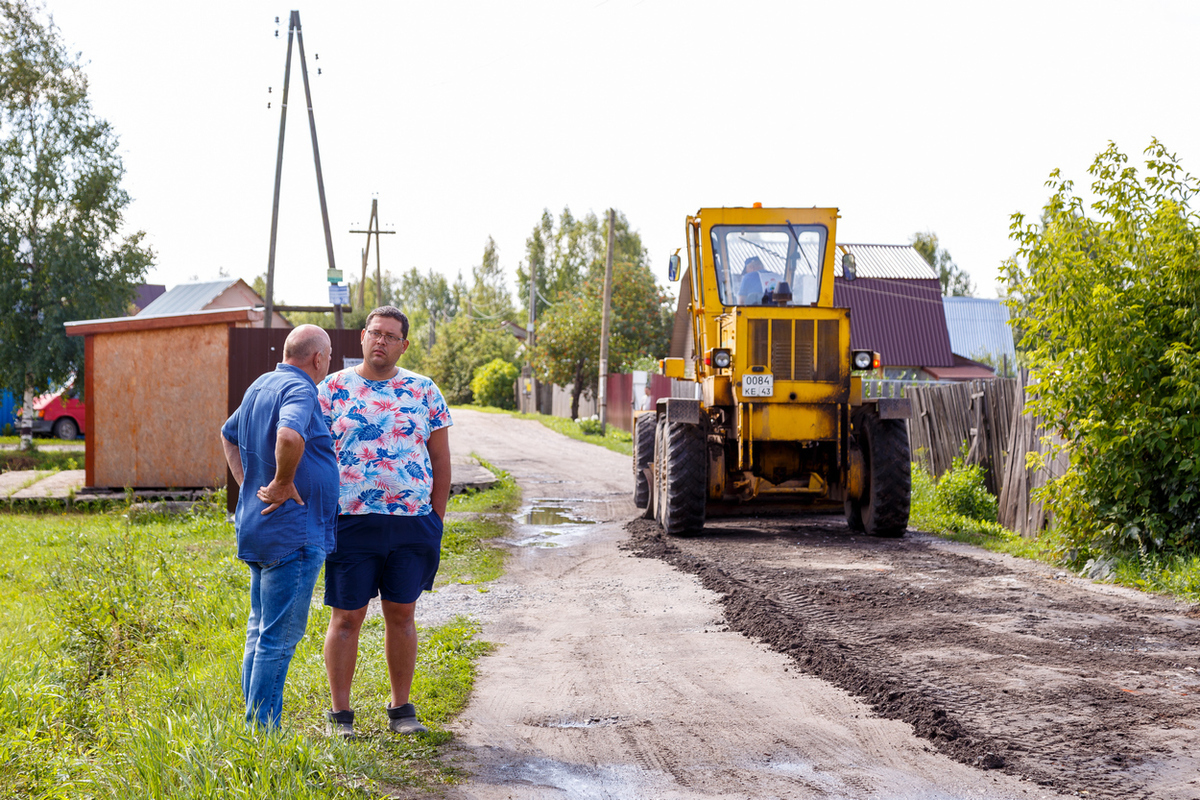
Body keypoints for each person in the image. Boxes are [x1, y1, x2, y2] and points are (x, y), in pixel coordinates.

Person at [318, 305, 452, 738]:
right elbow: (315, 455)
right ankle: (341, 715)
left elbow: (441, 459)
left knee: (402, 613)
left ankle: (401, 708)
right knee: (346, 617)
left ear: (403, 345)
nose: (381, 341)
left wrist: (436, 518)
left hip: (412, 524)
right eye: (375, 333)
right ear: (361, 336)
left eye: (390, 336)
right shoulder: (332, 389)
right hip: (351, 521)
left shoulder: (424, 390)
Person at [220, 324, 338, 730]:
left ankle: (252, 725)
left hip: (260, 526)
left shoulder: (261, 384)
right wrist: (281, 483)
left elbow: (228, 434)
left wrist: (250, 484)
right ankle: (263, 733)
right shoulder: (302, 390)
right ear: (318, 358)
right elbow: (289, 436)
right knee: (278, 637)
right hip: (292, 532)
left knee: (260, 630)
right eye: (328, 356)